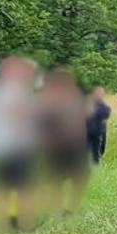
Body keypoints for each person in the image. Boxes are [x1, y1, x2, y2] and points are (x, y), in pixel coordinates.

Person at [0, 56, 39, 232]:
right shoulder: (18, 92)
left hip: (0, 149)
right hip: (19, 148)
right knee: (25, 187)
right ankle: (26, 223)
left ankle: (2, 224)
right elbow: (20, 116)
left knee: (2, 188)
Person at [39, 68, 91, 215]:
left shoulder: (75, 99)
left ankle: (72, 207)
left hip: (75, 144)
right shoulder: (46, 100)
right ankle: (58, 208)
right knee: (55, 177)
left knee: (80, 175)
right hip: (54, 146)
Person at [87, 85, 111, 165]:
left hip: (99, 130)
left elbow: (106, 114)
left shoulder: (102, 106)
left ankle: (96, 163)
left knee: (99, 148)